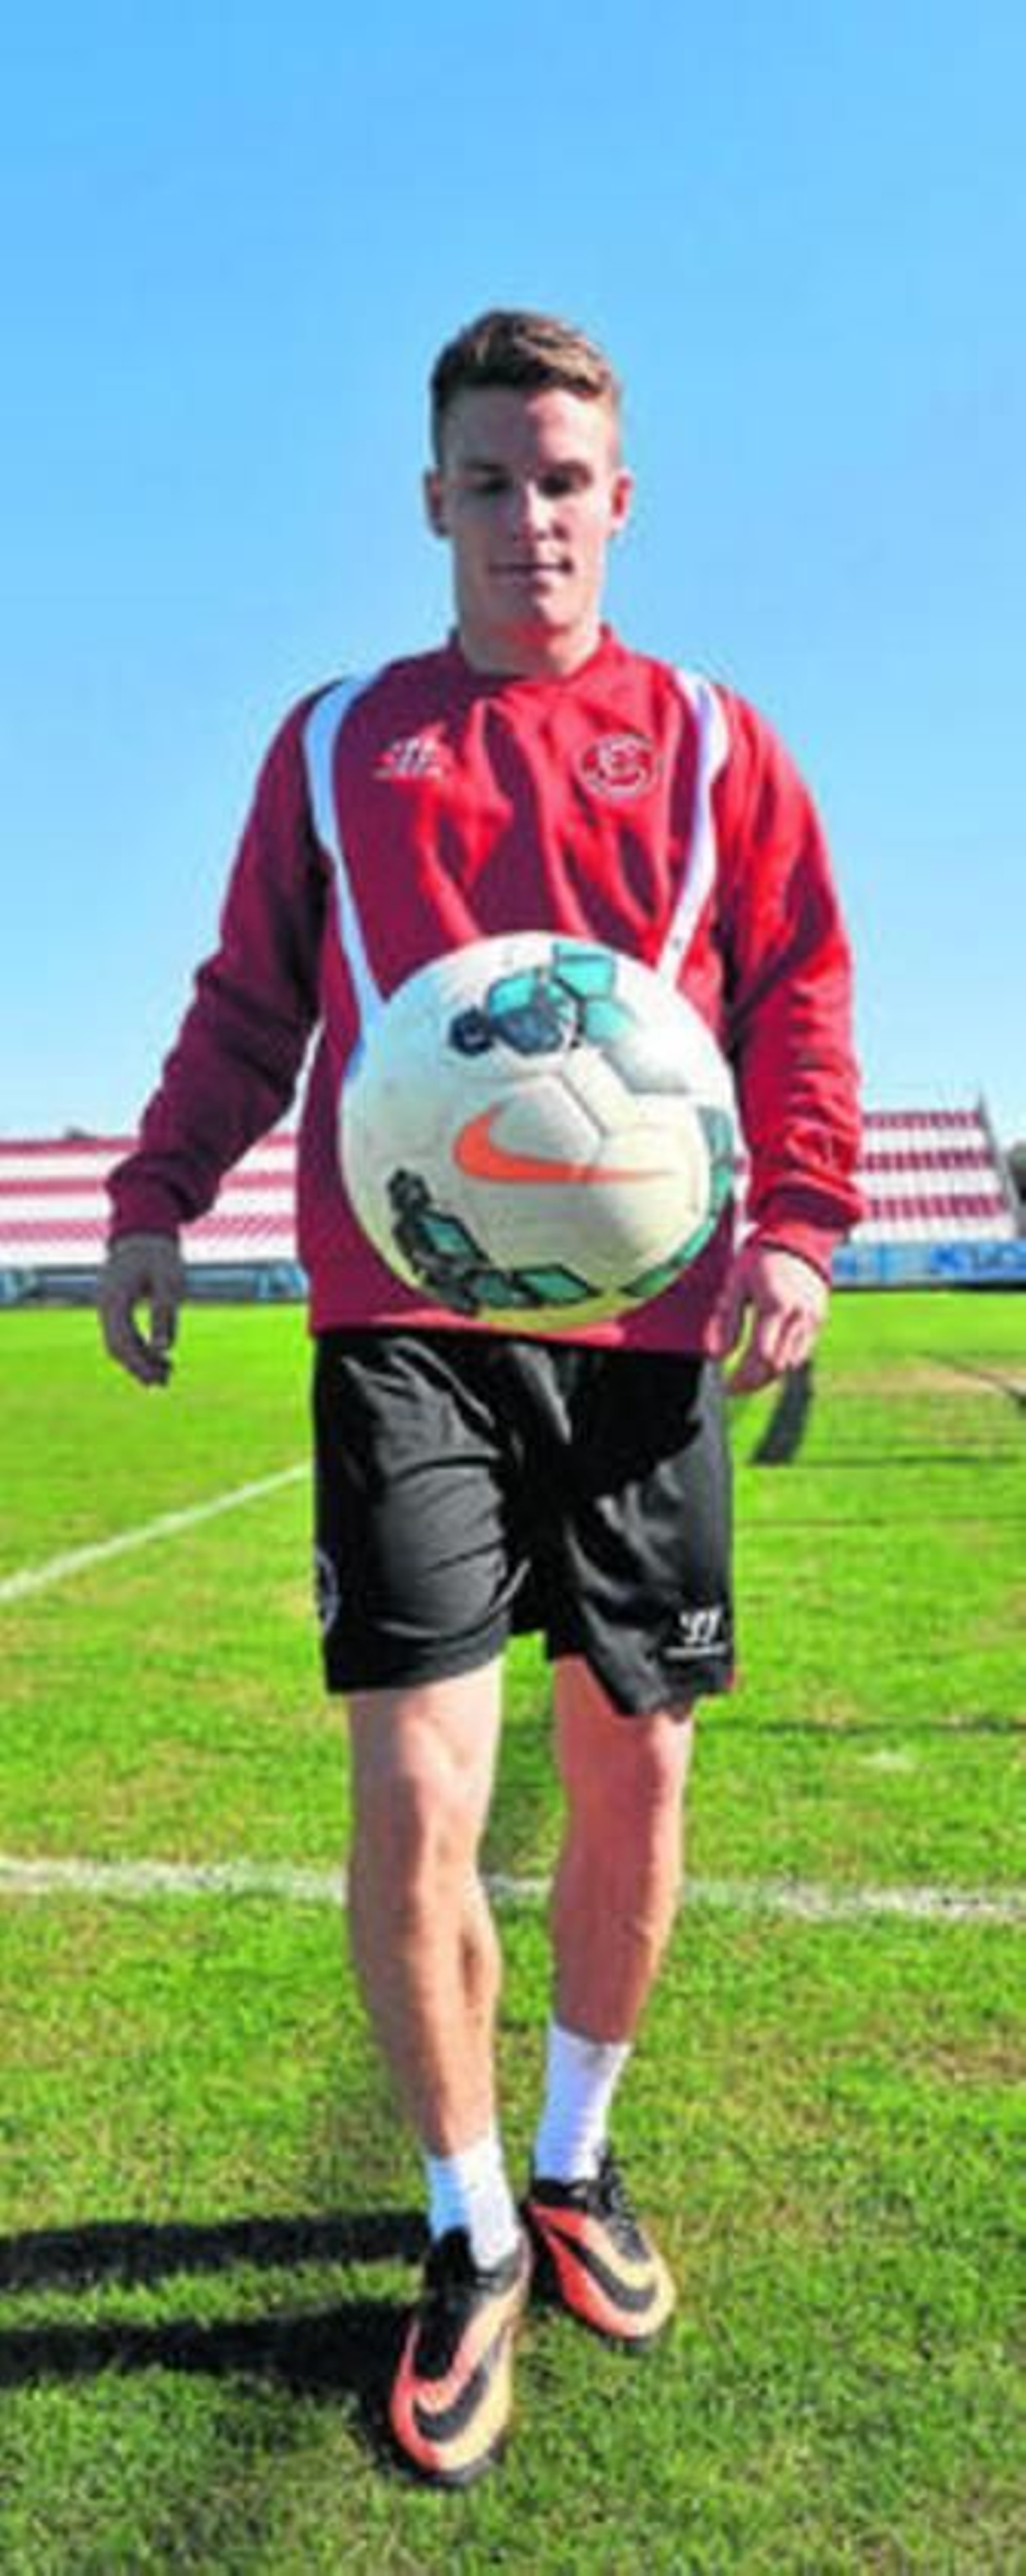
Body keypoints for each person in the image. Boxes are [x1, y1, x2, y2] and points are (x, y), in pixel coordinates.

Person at [99, 308, 862, 2488]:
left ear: (623, 500)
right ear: (432, 500)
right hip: (402, 1320)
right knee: (422, 1794)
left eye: (566, 480)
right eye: (493, 481)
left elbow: (798, 982)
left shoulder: (711, 740)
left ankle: (577, 2154)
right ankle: (465, 2226)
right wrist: (155, 1193)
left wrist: (803, 1219)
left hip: (647, 1336)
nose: (533, 517)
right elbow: (252, 999)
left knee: (637, 1771)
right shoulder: (341, 741)